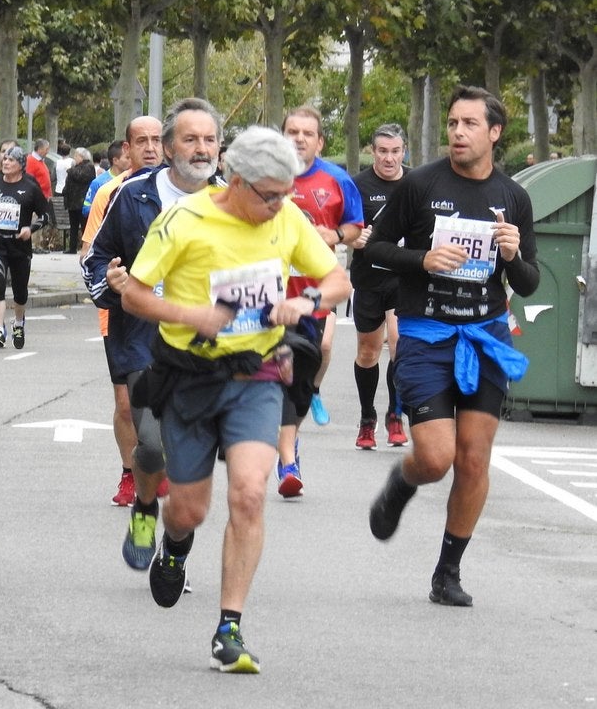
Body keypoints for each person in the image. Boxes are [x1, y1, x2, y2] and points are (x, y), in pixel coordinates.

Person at [120, 126, 350, 673]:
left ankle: (229, 626)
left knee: (249, 493)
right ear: (238, 180)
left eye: (286, 194)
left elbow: (337, 279)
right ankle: (173, 544)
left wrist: (308, 300)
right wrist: (190, 315)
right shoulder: (186, 220)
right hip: (191, 376)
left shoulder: (287, 217)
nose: (279, 206)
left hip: (258, 372)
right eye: (268, 195)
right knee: (191, 509)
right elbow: (131, 291)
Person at [365, 86, 539, 606]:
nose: (458, 133)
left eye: (469, 124)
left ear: (494, 133)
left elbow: (528, 282)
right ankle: (404, 479)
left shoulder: (513, 197)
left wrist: (511, 256)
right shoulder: (419, 186)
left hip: (485, 337)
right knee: (437, 457)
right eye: (453, 124)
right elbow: (372, 250)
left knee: (473, 461)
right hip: (426, 334)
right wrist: (422, 260)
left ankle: (448, 571)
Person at [83, 97, 222, 571]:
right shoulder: (133, 194)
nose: (201, 150)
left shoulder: (232, 199)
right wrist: (112, 284)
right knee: (153, 443)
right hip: (145, 339)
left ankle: (176, 551)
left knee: (193, 461)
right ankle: (145, 507)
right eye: (190, 140)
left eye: (209, 140)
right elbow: (97, 259)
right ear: (168, 148)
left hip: (212, 346)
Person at [275, 106, 363, 497]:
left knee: (307, 366)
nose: (299, 139)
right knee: (278, 370)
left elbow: (355, 227)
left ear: (320, 141)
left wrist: (334, 236)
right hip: (269, 296)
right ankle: (286, 459)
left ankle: (291, 436)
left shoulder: (337, 179)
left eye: (307, 133)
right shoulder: (265, 177)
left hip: (314, 294)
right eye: (292, 131)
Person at [79, 117, 163, 507]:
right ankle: (131, 473)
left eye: (157, 140)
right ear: (126, 149)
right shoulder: (112, 194)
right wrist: (108, 285)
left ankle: (156, 465)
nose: (150, 147)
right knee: (127, 404)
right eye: (141, 141)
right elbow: (92, 254)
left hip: (179, 322)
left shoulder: (198, 194)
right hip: (121, 313)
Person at [350, 123, 409, 450]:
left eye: (395, 151)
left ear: (404, 151)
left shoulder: (414, 182)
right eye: (383, 151)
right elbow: (342, 226)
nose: (389, 158)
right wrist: (352, 237)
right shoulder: (357, 185)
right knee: (368, 352)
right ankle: (367, 417)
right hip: (369, 278)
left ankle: (395, 415)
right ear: (373, 151)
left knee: (399, 342)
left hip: (403, 277)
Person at [0, 145, 48, 349]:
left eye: (11, 160)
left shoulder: (30, 186)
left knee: (20, 291)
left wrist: (30, 228)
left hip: (19, 246)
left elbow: (45, 215)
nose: (6, 163)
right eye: (4, 159)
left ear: (21, 165)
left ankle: (18, 322)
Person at [62, 147, 96, 254]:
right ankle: (72, 248)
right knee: (73, 226)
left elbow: (80, 176)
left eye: (76, 156)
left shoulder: (89, 167)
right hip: (73, 202)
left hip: (82, 202)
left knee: (84, 226)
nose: (74, 158)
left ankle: (86, 247)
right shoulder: (76, 167)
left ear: (82, 156)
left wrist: (69, 170)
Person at [83, 140, 128, 220]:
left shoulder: (134, 179)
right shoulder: (98, 183)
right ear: (115, 161)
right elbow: (86, 209)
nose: (131, 160)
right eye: (128, 157)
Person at [26, 138, 54, 251]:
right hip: (37, 198)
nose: (47, 151)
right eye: (46, 149)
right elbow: (29, 179)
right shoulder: (31, 161)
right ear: (40, 149)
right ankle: (33, 244)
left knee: (41, 220)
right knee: (35, 221)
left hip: (44, 197)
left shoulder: (41, 161)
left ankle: (38, 245)